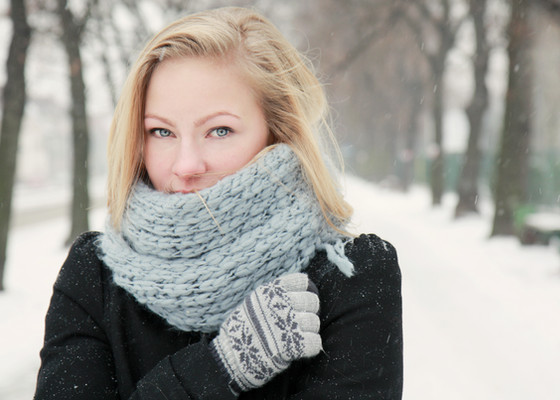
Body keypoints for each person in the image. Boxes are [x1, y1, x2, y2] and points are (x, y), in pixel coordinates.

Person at [34, 6, 403, 399]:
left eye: (220, 130)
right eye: (161, 132)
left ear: (278, 130)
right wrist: (223, 366)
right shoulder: (94, 273)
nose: (186, 165)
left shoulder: (352, 276)